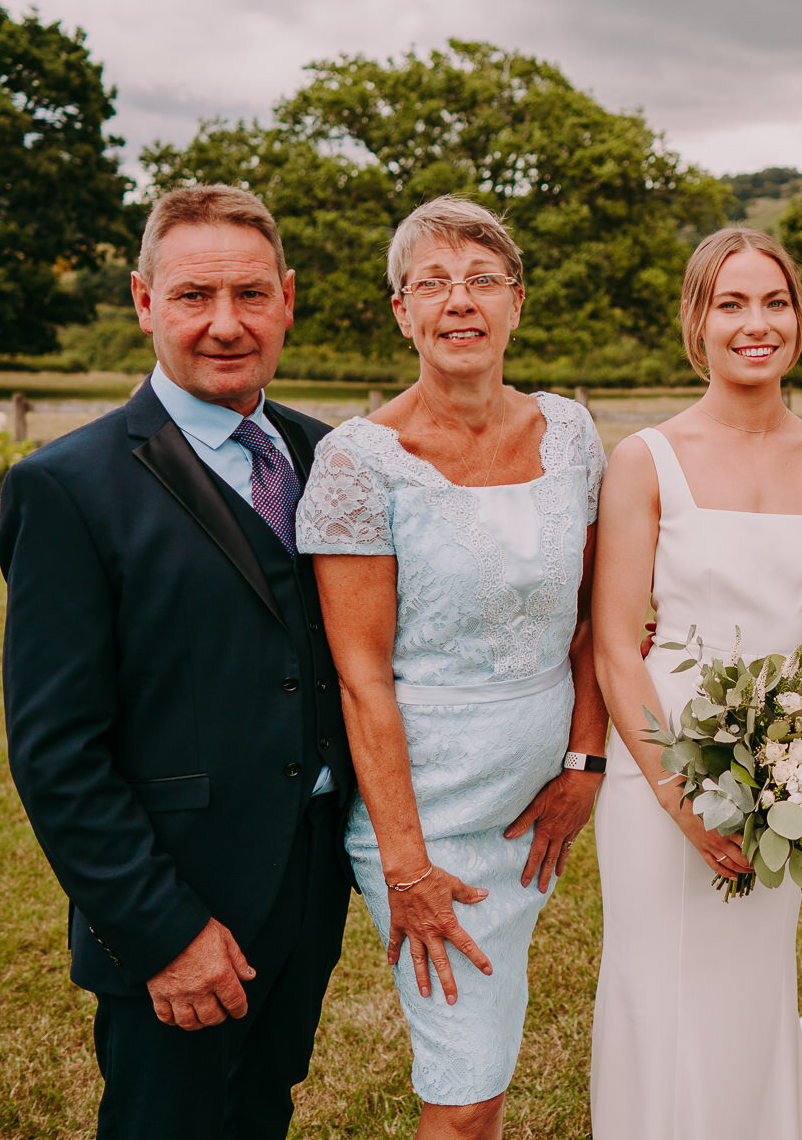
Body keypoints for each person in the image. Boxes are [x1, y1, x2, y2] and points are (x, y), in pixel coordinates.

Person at [0, 185, 352, 1139]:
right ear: (144, 300)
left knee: (260, 1111)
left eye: (249, 294)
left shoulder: (330, 459)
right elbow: (56, 750)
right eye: (195, 296)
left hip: (309, 881)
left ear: (287, 297)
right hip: (181, 902)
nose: (226, 324)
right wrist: (164, 932)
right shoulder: (67, 487)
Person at [296, 195, 609, 1137]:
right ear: (402, 312)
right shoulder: (361, 462)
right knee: (465, 1094)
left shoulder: (571, 435)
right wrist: (407, 867)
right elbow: (362, 677)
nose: (458, 301)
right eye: (431, 282)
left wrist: (584, 764)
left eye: (480, 279)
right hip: (429, 821)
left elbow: (598, 616)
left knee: (489, 1063)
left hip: (543, 803)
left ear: (517, 300)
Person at [588, 227, 802, 1140]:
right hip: (657, 762)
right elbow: (616, 648)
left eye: (775, 302)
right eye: (731, 303)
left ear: (799, 318)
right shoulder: (645, 460)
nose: (757, 323)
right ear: (696, 321)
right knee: (656, 981)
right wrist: (684, 804)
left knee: (753, 984)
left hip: (780, 779)